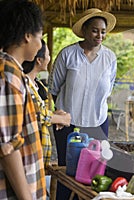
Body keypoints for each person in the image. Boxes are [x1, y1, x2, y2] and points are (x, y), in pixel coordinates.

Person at [48, 8, 117, 199]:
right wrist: (61, 115)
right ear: (85, 30)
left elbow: (108, 88)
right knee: (66, 170)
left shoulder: (110, 58)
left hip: (98, 122)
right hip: (67, 124)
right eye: (95, 30)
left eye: (103, 31)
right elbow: (53, 89)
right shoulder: (68, 54)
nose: (99, 35)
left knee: (94, 173)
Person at [0, 0, 47, 199]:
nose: (40, 45)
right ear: (27, 36)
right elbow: (8, 148)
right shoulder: (9, 75)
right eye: (40, 37)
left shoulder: (15, 73)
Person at [22, 39, 71, 167]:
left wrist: (55, 116)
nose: (49, 58)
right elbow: (34, 113)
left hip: (39, 153)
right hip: (27, 153)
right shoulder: (24, 84)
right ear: (39, 60)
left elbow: (39, 111)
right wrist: (61, 118)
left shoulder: (38, 85)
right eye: (48, 55)